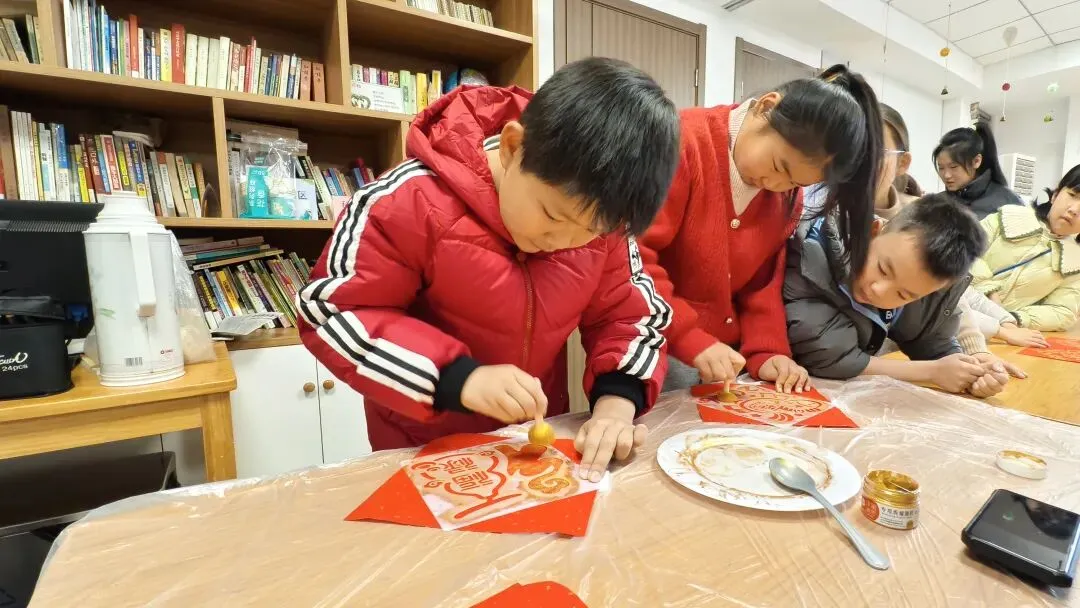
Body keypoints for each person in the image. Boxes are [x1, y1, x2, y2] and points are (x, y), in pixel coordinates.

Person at [296, 58, 681, 481]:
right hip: (421, 451)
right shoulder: (408, 200)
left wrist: (617, 402)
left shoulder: (601, 220)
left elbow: (629, 317)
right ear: (514, 148)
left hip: (531, 447)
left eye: (591, 232)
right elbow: (333, 310)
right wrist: (457, 379)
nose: (565, 241)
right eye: (553, 216)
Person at [640, 64, 884, 394]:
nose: (775, 184)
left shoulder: (785, 196)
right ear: (766, 106)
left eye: (796, 182)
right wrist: (689, 336)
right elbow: (635, 259)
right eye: (779, 166)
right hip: (654, 340)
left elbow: (763, 281)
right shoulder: (683, 143)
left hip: (724, 357)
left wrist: (768, 351)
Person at [784, 194, 1010, 398]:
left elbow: (932, 340)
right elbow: (827, 357)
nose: (879, 289)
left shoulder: (924, 284)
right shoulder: (813, 253)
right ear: (874, 231)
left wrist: (969, 373)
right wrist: (932, 372)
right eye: (883, 269)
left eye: (903, 294)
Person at [969, 165, 1080, 332]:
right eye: (1072, 195)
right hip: (950, 312)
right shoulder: (1007, 217)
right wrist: (990, 293)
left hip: (1001, 333)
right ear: (1055, 194)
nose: (1074, 210)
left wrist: (1016, 318)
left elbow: (1063, 312)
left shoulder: (1076, 262)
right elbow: (965, 250)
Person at [934, 121, 1023, 219]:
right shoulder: (936, 203)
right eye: (941, 167)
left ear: (976, 161)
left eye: (953, 167)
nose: (946, 175)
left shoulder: (1009, 202)